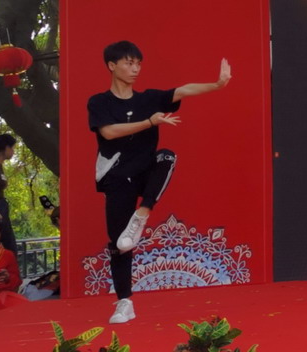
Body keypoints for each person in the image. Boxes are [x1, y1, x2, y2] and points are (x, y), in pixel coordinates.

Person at [87, 40, 231, 324]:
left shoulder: (149, 98)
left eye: (138, 63)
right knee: (120, 244)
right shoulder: (99, 102)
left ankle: (142, 214)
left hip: (145, 171)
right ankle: (124, 303)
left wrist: (217, 85)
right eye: (129, 63)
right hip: (117, 176)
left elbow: (183, 90)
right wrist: (149, 123)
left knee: (166, 157)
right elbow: (109, 132)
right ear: (112, 66)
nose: (135, 69)